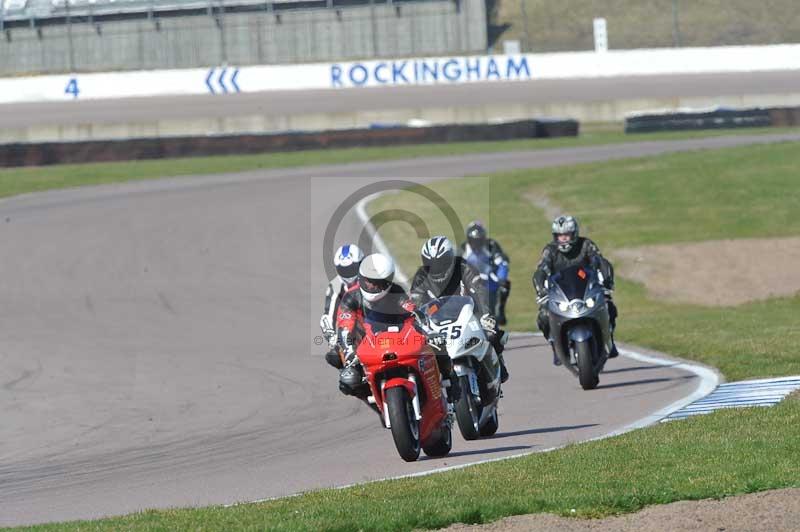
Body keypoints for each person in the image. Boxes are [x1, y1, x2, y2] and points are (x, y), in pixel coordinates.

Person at [335, 253, 460, 402]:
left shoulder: (396, 291)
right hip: (367, 345)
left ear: (387, 281)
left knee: (438, 347)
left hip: (400, 340)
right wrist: (350, 355)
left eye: (376, 282)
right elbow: (344, 329)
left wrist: (430, 332)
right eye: (368, 281)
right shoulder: (351, 297)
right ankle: (377, 403)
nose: (371, 286)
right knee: (349, 382)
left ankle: (451, 381)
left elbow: (414, 312)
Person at [410, 236, 510, 383]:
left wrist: (486, 315)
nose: (436, 267)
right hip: (438, 321)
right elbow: (415, 304)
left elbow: (480, 291)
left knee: (491, 333)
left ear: (450, 258)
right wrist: (418, 324)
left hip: (469, 312)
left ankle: (498, 364)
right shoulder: (421, 277)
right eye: (431, 264)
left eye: (441, 262)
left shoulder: (464, 267)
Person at [532, 215, 619, 365]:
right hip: (561, 295)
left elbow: (600, 261)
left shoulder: (586, 245)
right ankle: (555, 346)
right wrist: (541, 291)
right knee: (543, 316)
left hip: (586, 291)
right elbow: (541, 270)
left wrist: (606, 282)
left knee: (609, 306)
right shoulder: (550, 250)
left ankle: (608, 339)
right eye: (560, 236)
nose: (563, 239)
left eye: (566, 235)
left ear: (574, 233)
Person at [319, 244, 364, 370]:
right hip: (352, 328)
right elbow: (328, 316)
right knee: (334, 355)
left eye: (352, 268)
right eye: (344, 270)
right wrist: (333, 339)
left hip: (376, 324)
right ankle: (351, 371)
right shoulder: (335, 286)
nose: (348, 274)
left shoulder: (371, 278)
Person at [459, 220, 511, 325]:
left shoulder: (491, 245)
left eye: (478, 241)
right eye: (473, 241)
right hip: (469, 286)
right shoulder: (463, 249)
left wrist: (501, 278)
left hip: (489, 284)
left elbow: (502, 263)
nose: (476, 244)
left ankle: (500, 311)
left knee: (505, 287)